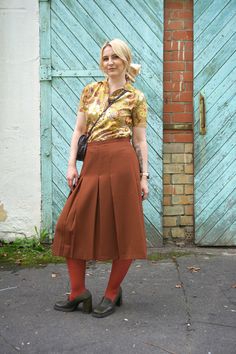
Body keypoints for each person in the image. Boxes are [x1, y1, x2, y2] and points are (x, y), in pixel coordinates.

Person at [52, 38, 149, 318]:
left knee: (125, 230)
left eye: (115, 58)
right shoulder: (89, 91)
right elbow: (78, 131)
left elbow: (140, 141)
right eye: (106, 58)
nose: (109, 63)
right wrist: (72, 165)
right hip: (92, 163)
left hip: (122, 163)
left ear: (125, 61)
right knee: (69, 225)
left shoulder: (136, 97)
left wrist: (144, 176)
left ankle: (111, 292)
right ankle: (78, 291)